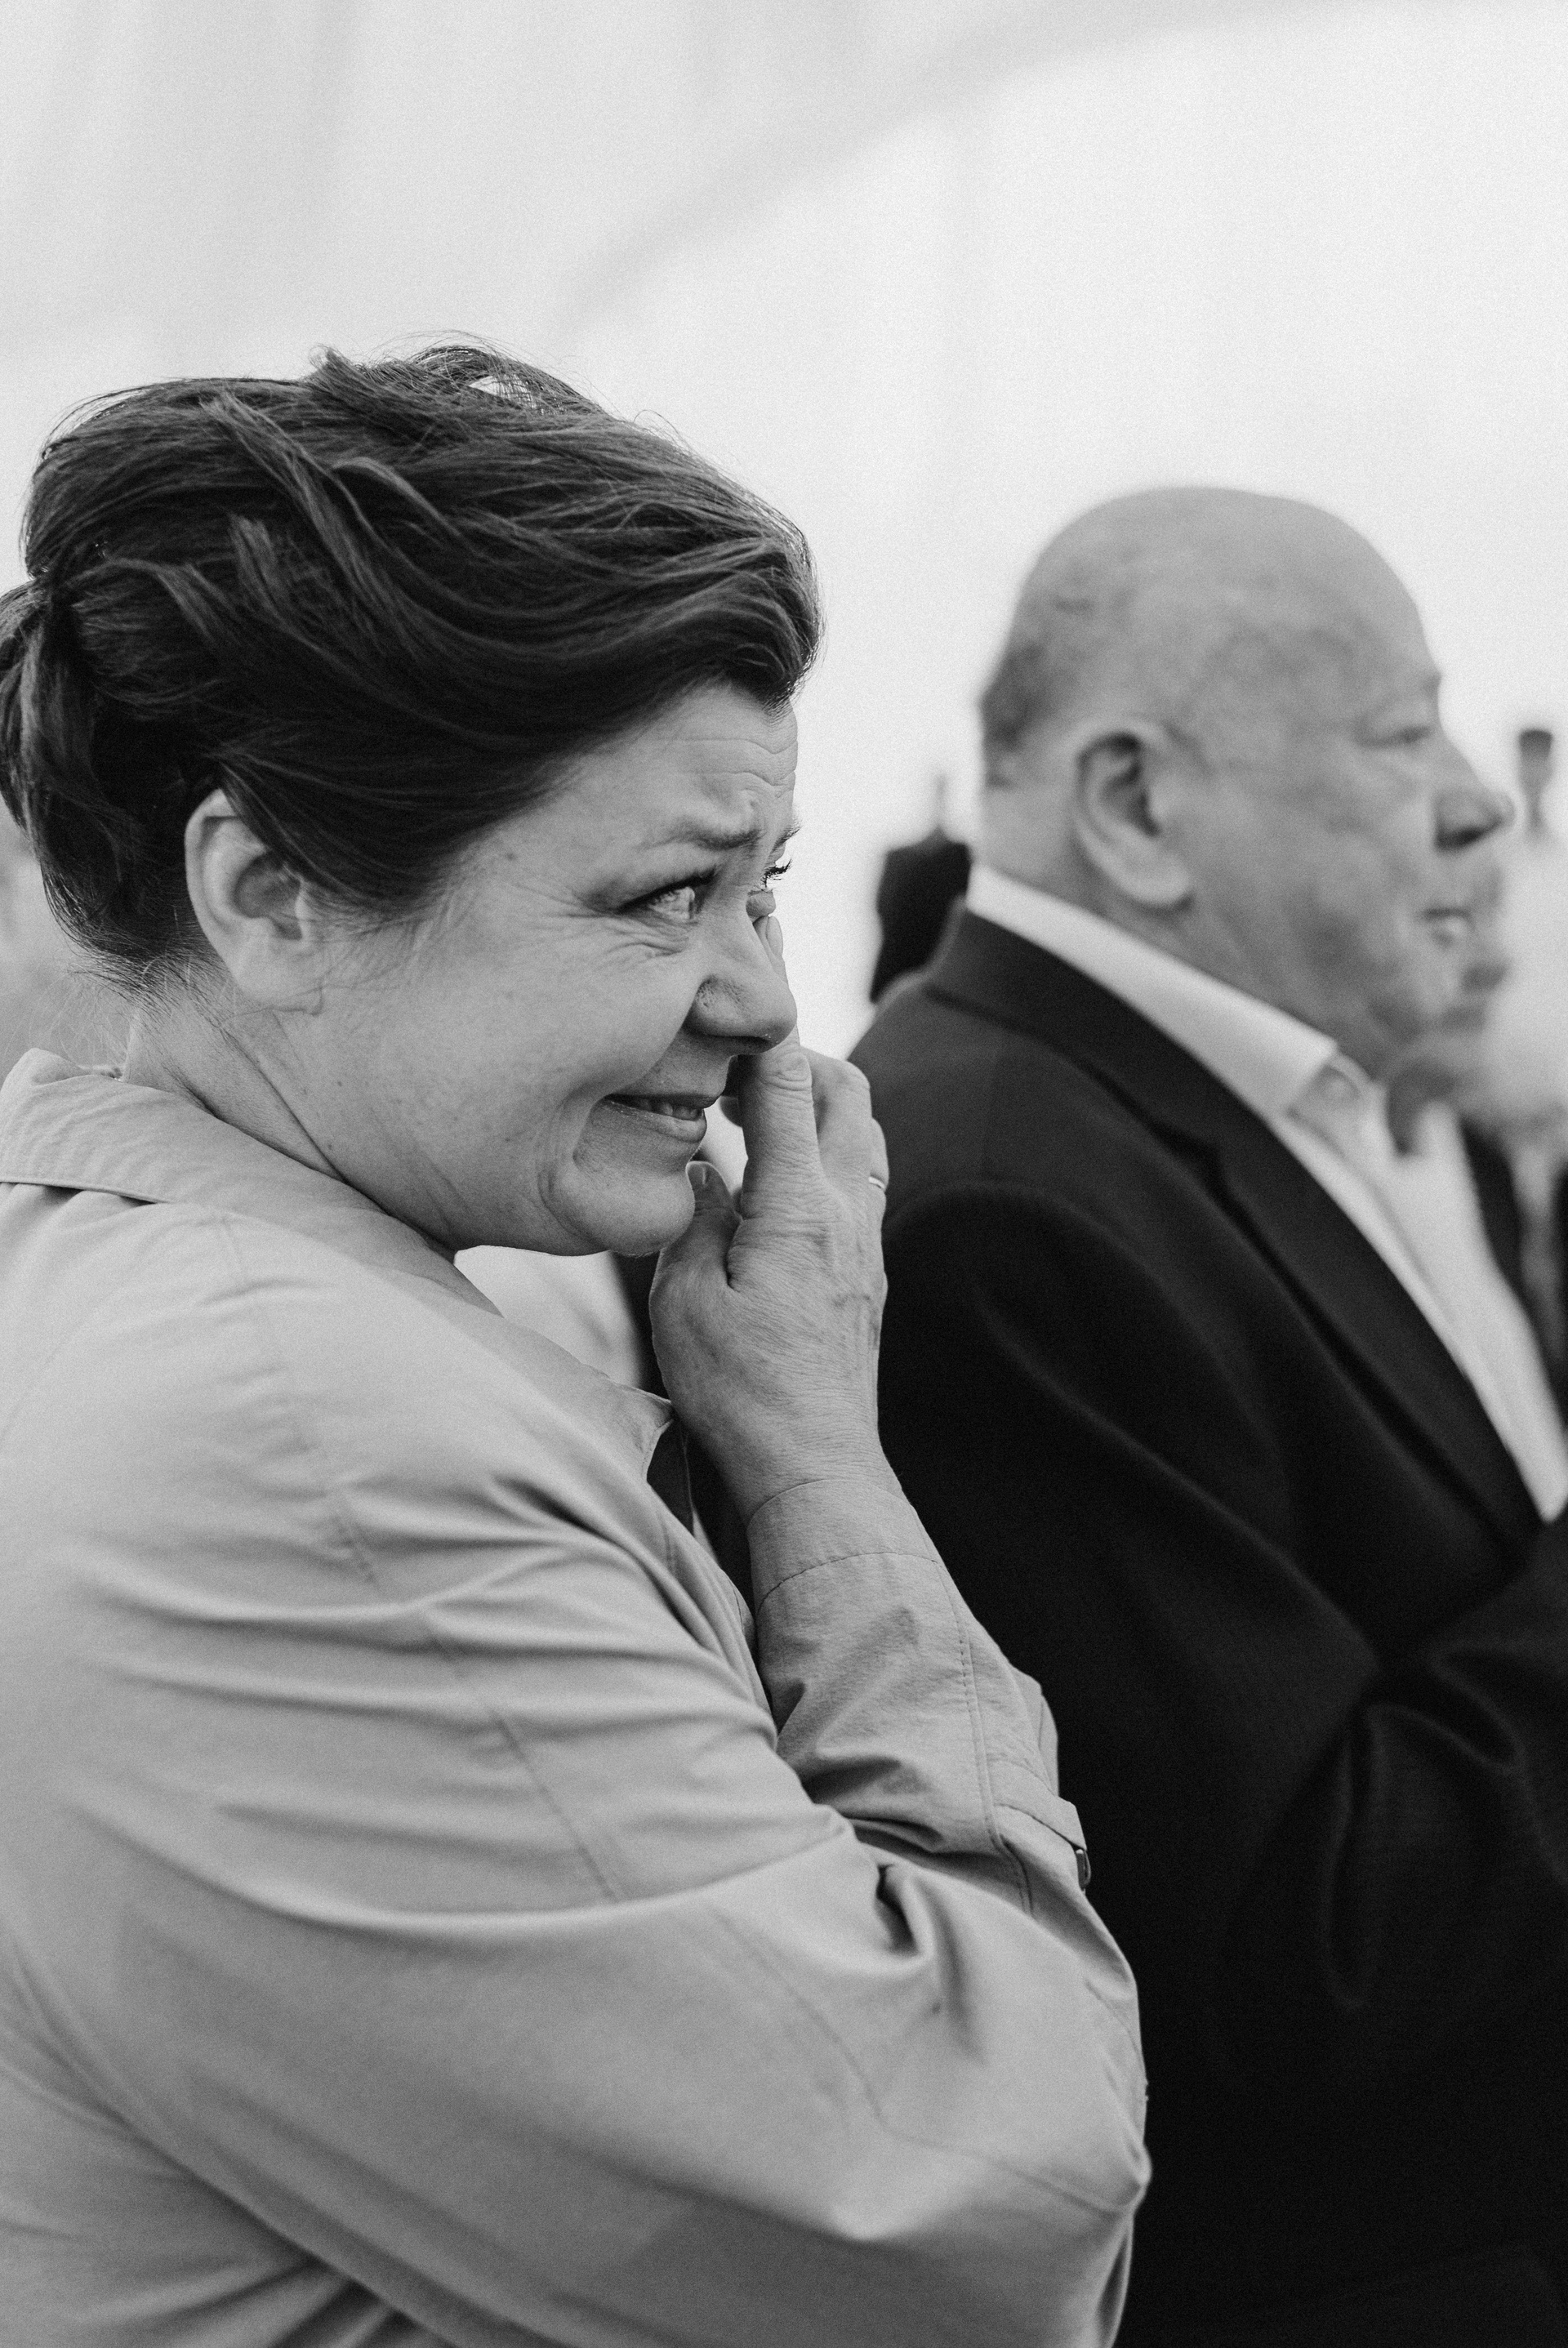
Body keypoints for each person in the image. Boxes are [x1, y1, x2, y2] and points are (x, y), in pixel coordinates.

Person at [0, 350, 1147, 2348]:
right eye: (667, 896)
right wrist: (818, 1464)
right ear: (270, 895)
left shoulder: (117, 1283)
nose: (764, 1000)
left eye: (764, 889)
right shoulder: (309, 1445)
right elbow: (978, 2226)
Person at [853, 486, 1568, 2346]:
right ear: (1138, 807)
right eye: (1403, 734)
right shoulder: (1001, 1200)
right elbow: (1294, 1951)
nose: (1480, 806)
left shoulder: (1138, 1115)